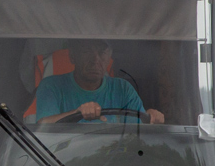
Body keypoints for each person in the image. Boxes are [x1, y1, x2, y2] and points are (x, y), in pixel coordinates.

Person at [34, 39, 164, 125]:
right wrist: (76, 113)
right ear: (72, 56)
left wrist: (152, 119)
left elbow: (137, 132)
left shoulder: (123, 89)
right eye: (86, 51)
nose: (95, 60)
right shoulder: (51, 86)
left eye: (102, 52)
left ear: (109, 58)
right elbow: (43, 127)